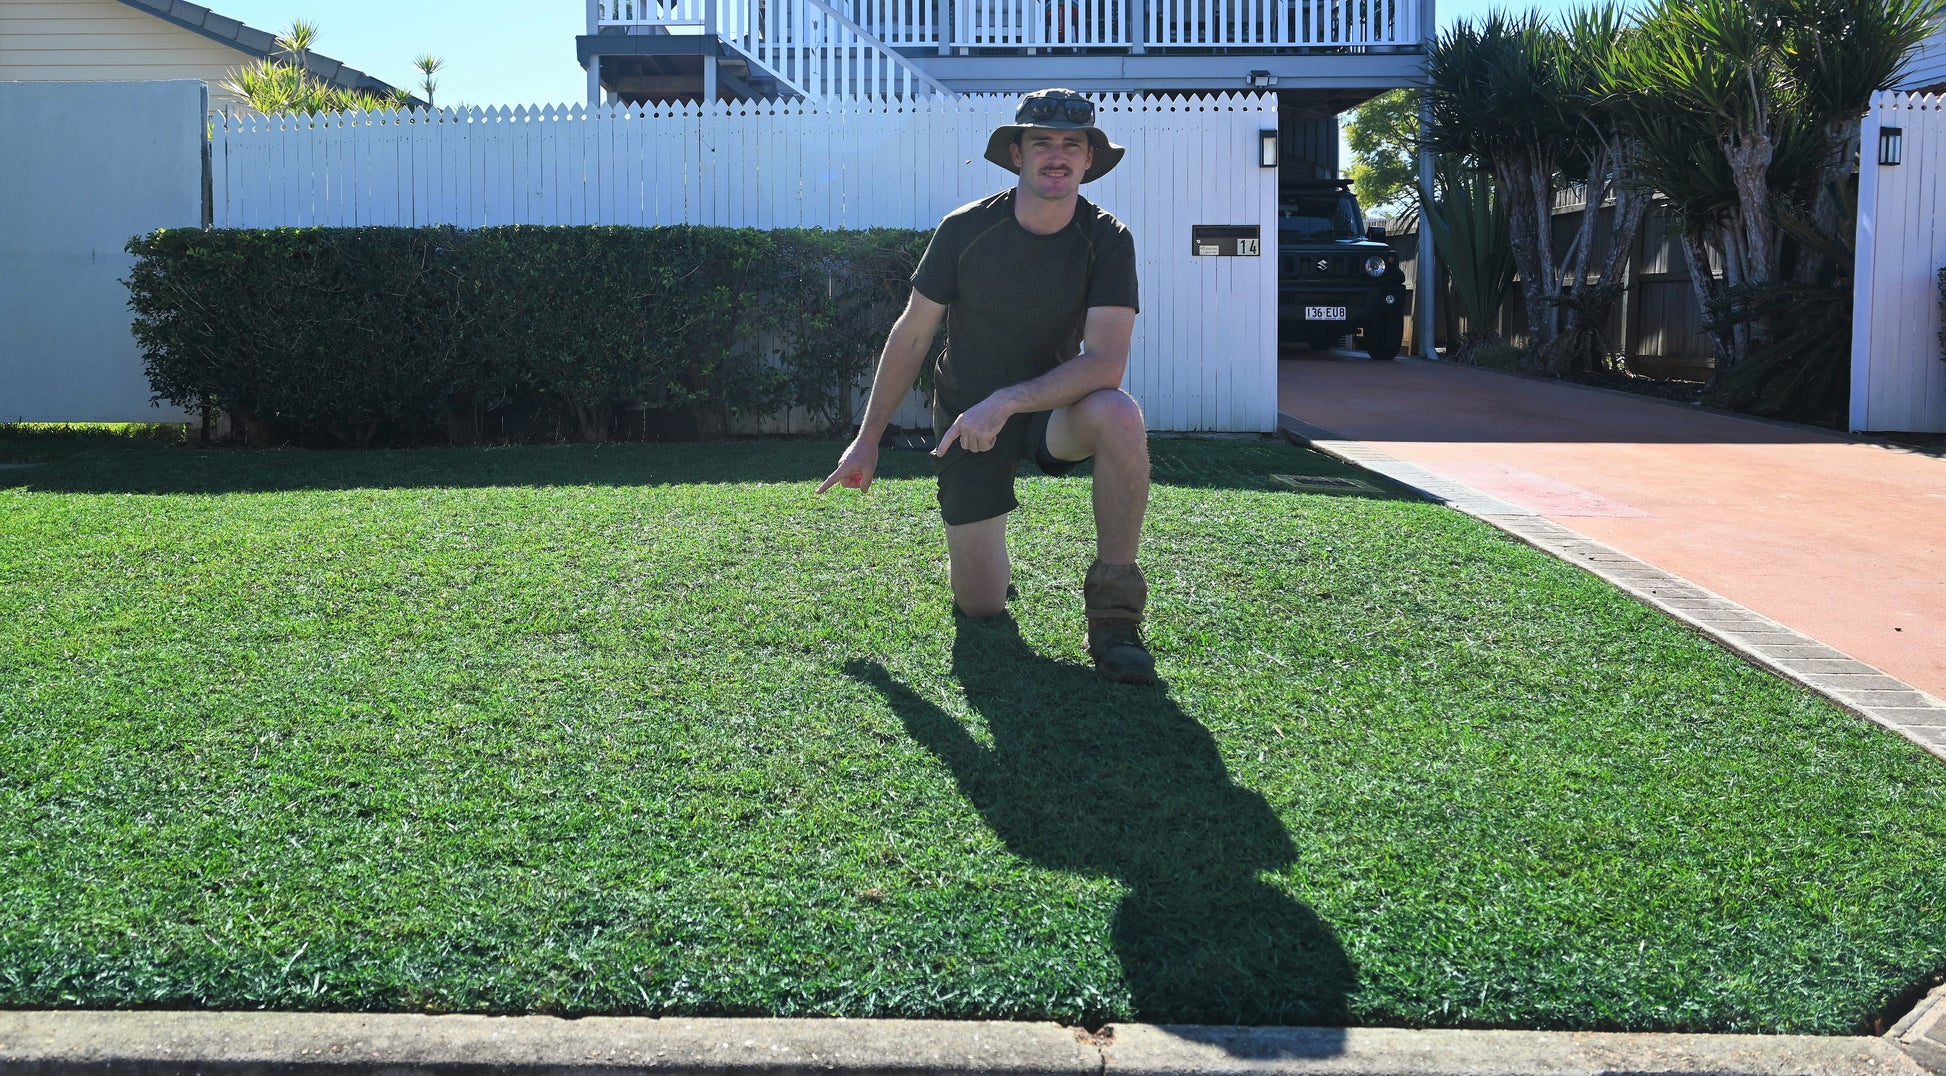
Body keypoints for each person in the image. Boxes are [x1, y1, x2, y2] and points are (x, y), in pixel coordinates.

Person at [817, 87, 1155, 684]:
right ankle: (991, 568)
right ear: (1017, 154)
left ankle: (1115, 616)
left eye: (1070, 145)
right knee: (981, 605)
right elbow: (913, 334)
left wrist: (1007, 402)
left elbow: (1105, 363)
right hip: (966, 421)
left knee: (1119, 412)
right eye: (1042, 142)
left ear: (1088, 160)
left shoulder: (1108, 240)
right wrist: (867, 439)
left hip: (1048, 409)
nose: (1056, 155)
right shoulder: (964, 230)